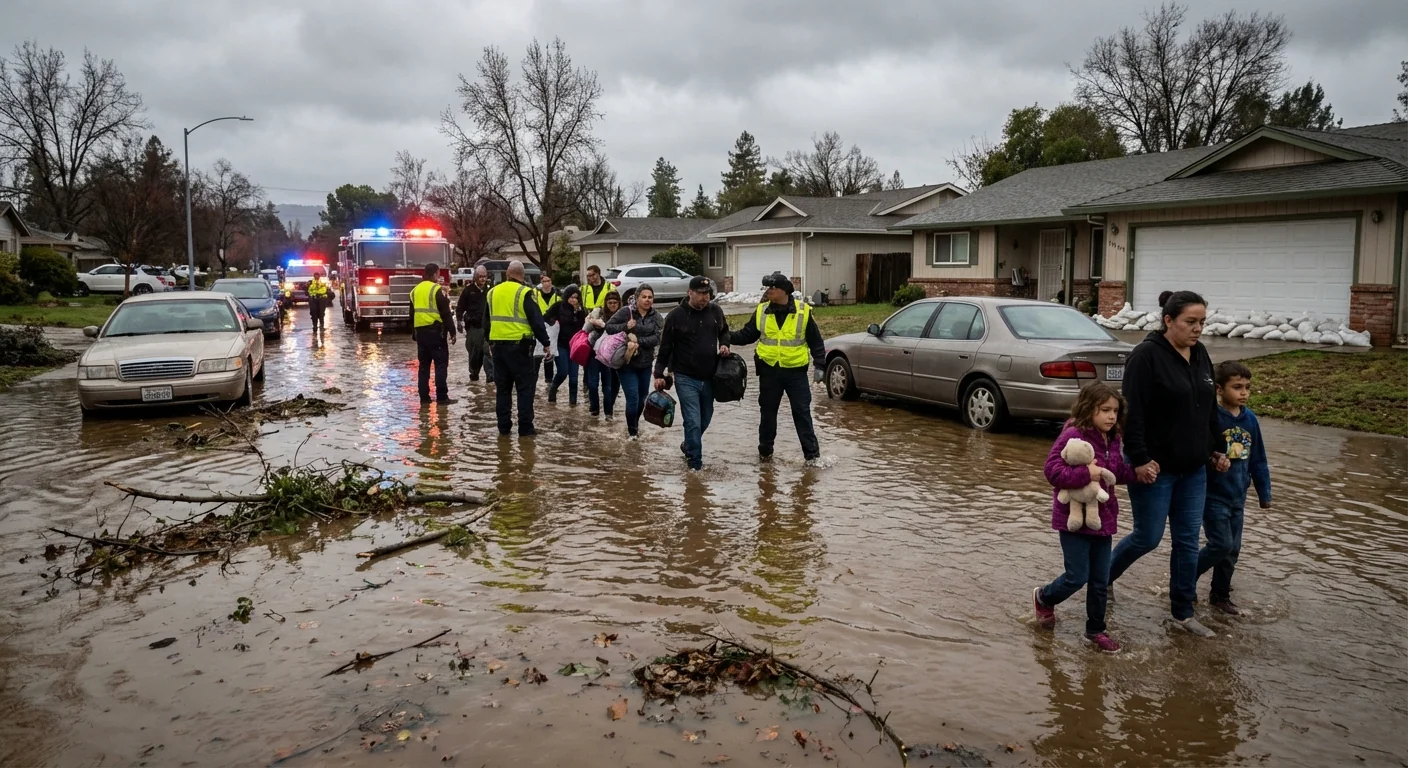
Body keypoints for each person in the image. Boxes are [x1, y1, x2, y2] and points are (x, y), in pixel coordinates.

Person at [1108, 289, 1230, 637]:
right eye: (1190, 322)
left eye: (1202, 322)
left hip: (1193, 469)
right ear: (1168, 320)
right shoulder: (1145, 356)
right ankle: (1101, 578)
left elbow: (1208, 409)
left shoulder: (1200, 353)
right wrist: (1140, 459)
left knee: (1188, 541)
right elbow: (1131, 414)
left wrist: (1216, 449)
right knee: (1148, 537)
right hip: (1154, 467)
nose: (1198, 329)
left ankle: (1182, 613)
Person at [1033, 383, 1139, 653]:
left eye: (1115, 411)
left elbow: (1114, 472)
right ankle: (1044, 597)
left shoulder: (1113, 437)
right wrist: (1086, 474)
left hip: (1103, 518)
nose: (1111, 416)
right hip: (1072, 520)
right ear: (1088, 409)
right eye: (1105, 410)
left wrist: (1138, 473)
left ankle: (1096, 630)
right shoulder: (1074, 434)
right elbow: (1052, 471)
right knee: (1077, 576)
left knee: (1100, 579)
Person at [1196, 361, 1272, 616]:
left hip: (1238, 497)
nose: (1244, 393)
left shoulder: (1250, 420)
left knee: (1232, 550)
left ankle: (1220, 596)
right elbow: (1199, 451)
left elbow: (1258, 459)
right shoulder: (1212, 418)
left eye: (1247, 387)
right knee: (1221, 545)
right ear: (1219, 389)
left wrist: (1264, 494)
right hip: (1212, 495)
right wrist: (1212, 459)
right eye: (1237, 387)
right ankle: (1185, 578)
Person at [728, 272, 825, 462]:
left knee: (802, 413)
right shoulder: (762, 310)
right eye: (768, 288)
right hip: (769, 371)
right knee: (768, 414)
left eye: (772, 288)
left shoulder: (803, 311)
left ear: (784, 290)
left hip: (796, 373)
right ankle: (765, 455)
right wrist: (725, 335)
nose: (769, 291)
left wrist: (820, 365)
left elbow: (816, 342)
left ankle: (812, 457)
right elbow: (747, 335)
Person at [654, 276, 730, 471]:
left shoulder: (715, 311)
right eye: (701, 294)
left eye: (707, 294)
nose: (705, 298)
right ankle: (695, 465)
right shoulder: (675, 316)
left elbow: (724, 331)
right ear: (690, 293)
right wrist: (658, 374)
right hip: (685, 376)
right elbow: (665, 348)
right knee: (693, 421)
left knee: (706, 418)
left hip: (710, 376)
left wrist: (724, 344)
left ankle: (688, 444)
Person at [486, 260, 551, 436]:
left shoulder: (492, 292)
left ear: (507, 274)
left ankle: (503, 428)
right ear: (523, 276)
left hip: (497, 347)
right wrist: (546, 342)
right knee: (524, 389)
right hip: (520, 348)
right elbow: (536, 321)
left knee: (503, 389)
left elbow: (486, 321)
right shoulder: (525, 292)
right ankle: (525, 429)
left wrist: (490, 342)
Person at [604, 284, 662, 439]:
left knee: (642, 398)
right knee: (633, 398)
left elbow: (658, 338)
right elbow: (609, 327)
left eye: (650, 297)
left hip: (646, 363)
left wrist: (638, 341)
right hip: (626, 363)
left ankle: (634, 424)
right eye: (644, 297)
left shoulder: (656, 316)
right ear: (637, 298)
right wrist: (625, 326)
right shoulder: (626, 312)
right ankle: (632, 433)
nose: (647, 300)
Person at [409, 264, 456, 405]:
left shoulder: (414, 291)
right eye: (438, 274)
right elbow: (446, 313)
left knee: (424, 366)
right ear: (435, 274)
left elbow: (411, 315)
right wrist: (452, 332)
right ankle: (442, 397)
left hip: (421, 334)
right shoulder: (436, 289)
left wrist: (414, 332)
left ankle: (424, 398)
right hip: (436, 332)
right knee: (440, 364)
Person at [584, 290, 622, 417]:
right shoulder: (599, 313)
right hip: (594, 353)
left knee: (608, 386)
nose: (612, 305)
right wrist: (591, 321)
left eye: (615, 302)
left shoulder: (623, 316)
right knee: (592, 384)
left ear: (619, 303)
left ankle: (608, 412)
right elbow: (585, 330)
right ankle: (594, 409)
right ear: (606, 303)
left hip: (612, 356)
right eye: (610, 303)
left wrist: (604, 325)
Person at [547, 284, 587, 405]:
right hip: (561, 344)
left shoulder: (581, 310)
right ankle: (553, 389)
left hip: (575, 346)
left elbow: (585, 326)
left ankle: (573, 403)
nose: (574, 300)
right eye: (571, 297)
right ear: (566, 297)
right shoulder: (558, 307)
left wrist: (579, 312)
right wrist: (553, 322)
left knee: (574, 377)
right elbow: (545, 317)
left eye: (576, 297)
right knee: (563, 372)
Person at [455, 265, 493, 383]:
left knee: (487, 351)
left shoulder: (490, 290)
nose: (483, 279)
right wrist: (459, 321)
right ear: (475, 277)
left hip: (487, 326)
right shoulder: (468, 290)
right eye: (480, 276)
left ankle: (490, 376)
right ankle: (474, 373)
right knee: (475, 352)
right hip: (473, 327)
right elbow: (460, 308)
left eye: (484, 276)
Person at [535, 274, 560, 384]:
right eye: (544, 281)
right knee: (536, 357)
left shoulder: (558, 294)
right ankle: (533, 381)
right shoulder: (534, 294)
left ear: (551, 281)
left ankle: (549, 381)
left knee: (549, 356)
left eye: (548, 280)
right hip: (538, 326)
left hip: (552, 327)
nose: (546, 283)